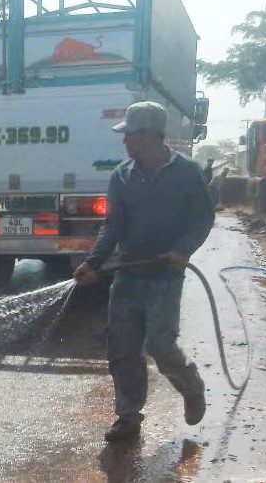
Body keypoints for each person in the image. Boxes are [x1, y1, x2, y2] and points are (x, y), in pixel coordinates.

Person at [73, 101, 215, 442]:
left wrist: (183, 251)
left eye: (131, 135)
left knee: (160, 346)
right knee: (122, 350)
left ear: (152, 135)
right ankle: (128, 417)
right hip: (128, 275)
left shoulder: (187, 172)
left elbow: (202, 219)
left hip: (165, 276)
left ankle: (190, 385)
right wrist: (93, 262)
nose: (125, 142)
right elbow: (113, 226)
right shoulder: (121, 176)